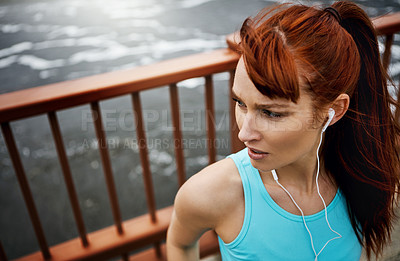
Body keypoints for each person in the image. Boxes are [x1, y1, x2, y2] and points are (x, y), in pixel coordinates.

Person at [166, 1, 400, 260]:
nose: (244, 134)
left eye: (271, 113)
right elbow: (180, 244)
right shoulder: (212, 193)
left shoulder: (364, 170)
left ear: (334, 110)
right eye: (240, 103)